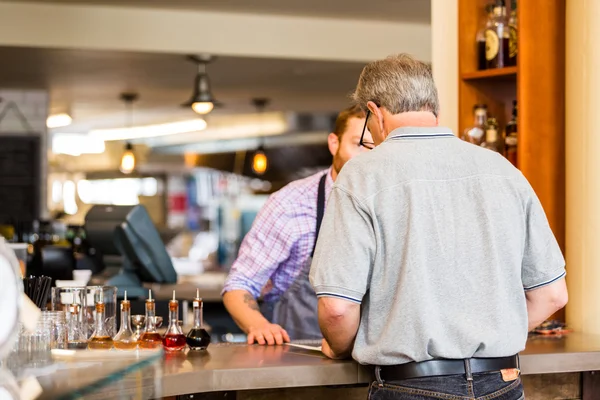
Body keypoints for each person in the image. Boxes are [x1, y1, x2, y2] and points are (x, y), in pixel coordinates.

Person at [309, 54, 568, 399]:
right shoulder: (503, 170)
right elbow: (552, 295)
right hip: (502, 383)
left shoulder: (361, 176)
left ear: (376, 112)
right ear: (434, 109)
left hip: (411, 387)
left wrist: (339, 348)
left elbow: (338, 308)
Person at [222, 105, 371, 345]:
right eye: (359, 144)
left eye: (377, 148)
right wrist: (260, 326)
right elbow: (240, 285)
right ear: (334, 144)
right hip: (300, 360)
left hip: (372, 366)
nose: (368, 157)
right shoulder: (291, 203)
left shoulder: (392, 203)